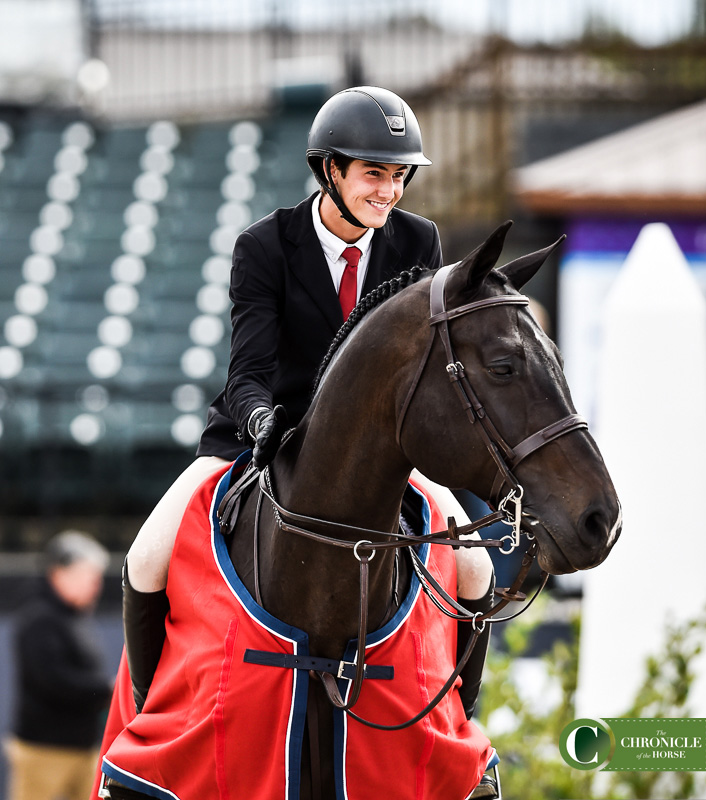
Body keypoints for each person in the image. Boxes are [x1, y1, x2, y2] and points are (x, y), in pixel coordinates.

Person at [122, 86, 494, 722]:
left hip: (380, 449)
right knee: (145, 559)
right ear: (330, 169)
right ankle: (151, 714)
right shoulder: (265, 246)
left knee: (479, 570)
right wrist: (265, 422)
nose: (389, 191)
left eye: (400, 175)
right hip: (263, 433)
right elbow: (247, 375)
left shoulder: (418, 244)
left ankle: (458, 719)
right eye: (374, 173)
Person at [5, 531, 113, 800]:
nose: (96, 585)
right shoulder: (38, 618)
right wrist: (106, 689)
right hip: (44, 750)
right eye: (89, 576)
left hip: (83, 745)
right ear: (60, 574)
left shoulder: (73, 616)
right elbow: (53, 681)